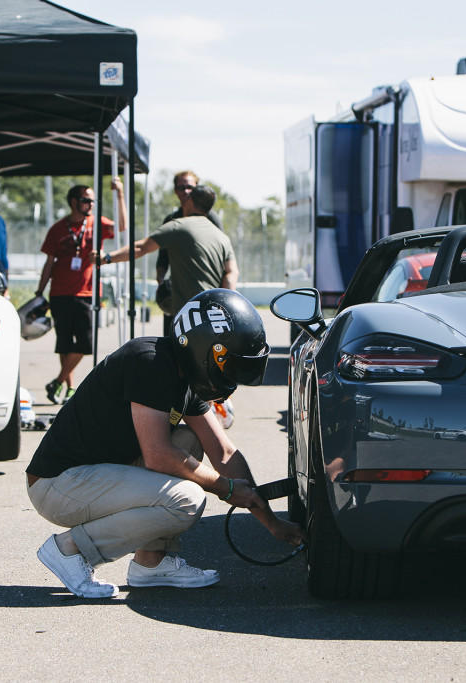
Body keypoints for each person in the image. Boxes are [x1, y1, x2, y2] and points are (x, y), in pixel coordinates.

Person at [26, 289, 305, 598]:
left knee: (188, 440)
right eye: (228, 363)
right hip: (58, 484)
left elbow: (223, 452)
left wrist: (271, 522)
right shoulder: (151, 362)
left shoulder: (183, 372)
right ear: (204, 350)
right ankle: (71, 550)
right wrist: (225, 488)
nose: (231, 376)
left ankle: (151, 563)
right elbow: (158, 455)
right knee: (187, 499)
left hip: (92, 474)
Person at [35, 179, 128, 404]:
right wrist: (40, 291)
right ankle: (69, 387)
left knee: (86, 343)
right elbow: (49, 262)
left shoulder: (97, 224)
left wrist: (120, 195)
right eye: (87, 200)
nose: (91, 204)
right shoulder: (57, 229)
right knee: (64, 344)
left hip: (87, 293)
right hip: (59, 293)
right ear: (73, 202)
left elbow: (122, 227)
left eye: (93, 200)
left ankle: (57, 381)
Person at [101, 184, 237, 317]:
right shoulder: (222, 237)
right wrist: (223, 306)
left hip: (189, 315)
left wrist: (106, 258)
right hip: (213, 313)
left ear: (189, 200)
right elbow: (231, 273)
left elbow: (141, 247)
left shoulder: (178, 226)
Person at [155, 171, 224, 335]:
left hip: (206, 294)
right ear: (175, 190)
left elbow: (224, 258)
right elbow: (162, 257)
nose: (185, 191)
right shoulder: (172, 219)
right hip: (178, 293)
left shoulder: (210, 218)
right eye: (181, 187)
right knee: (173, 343)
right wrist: (161, 283)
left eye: (189, 187)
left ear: (197, 191)